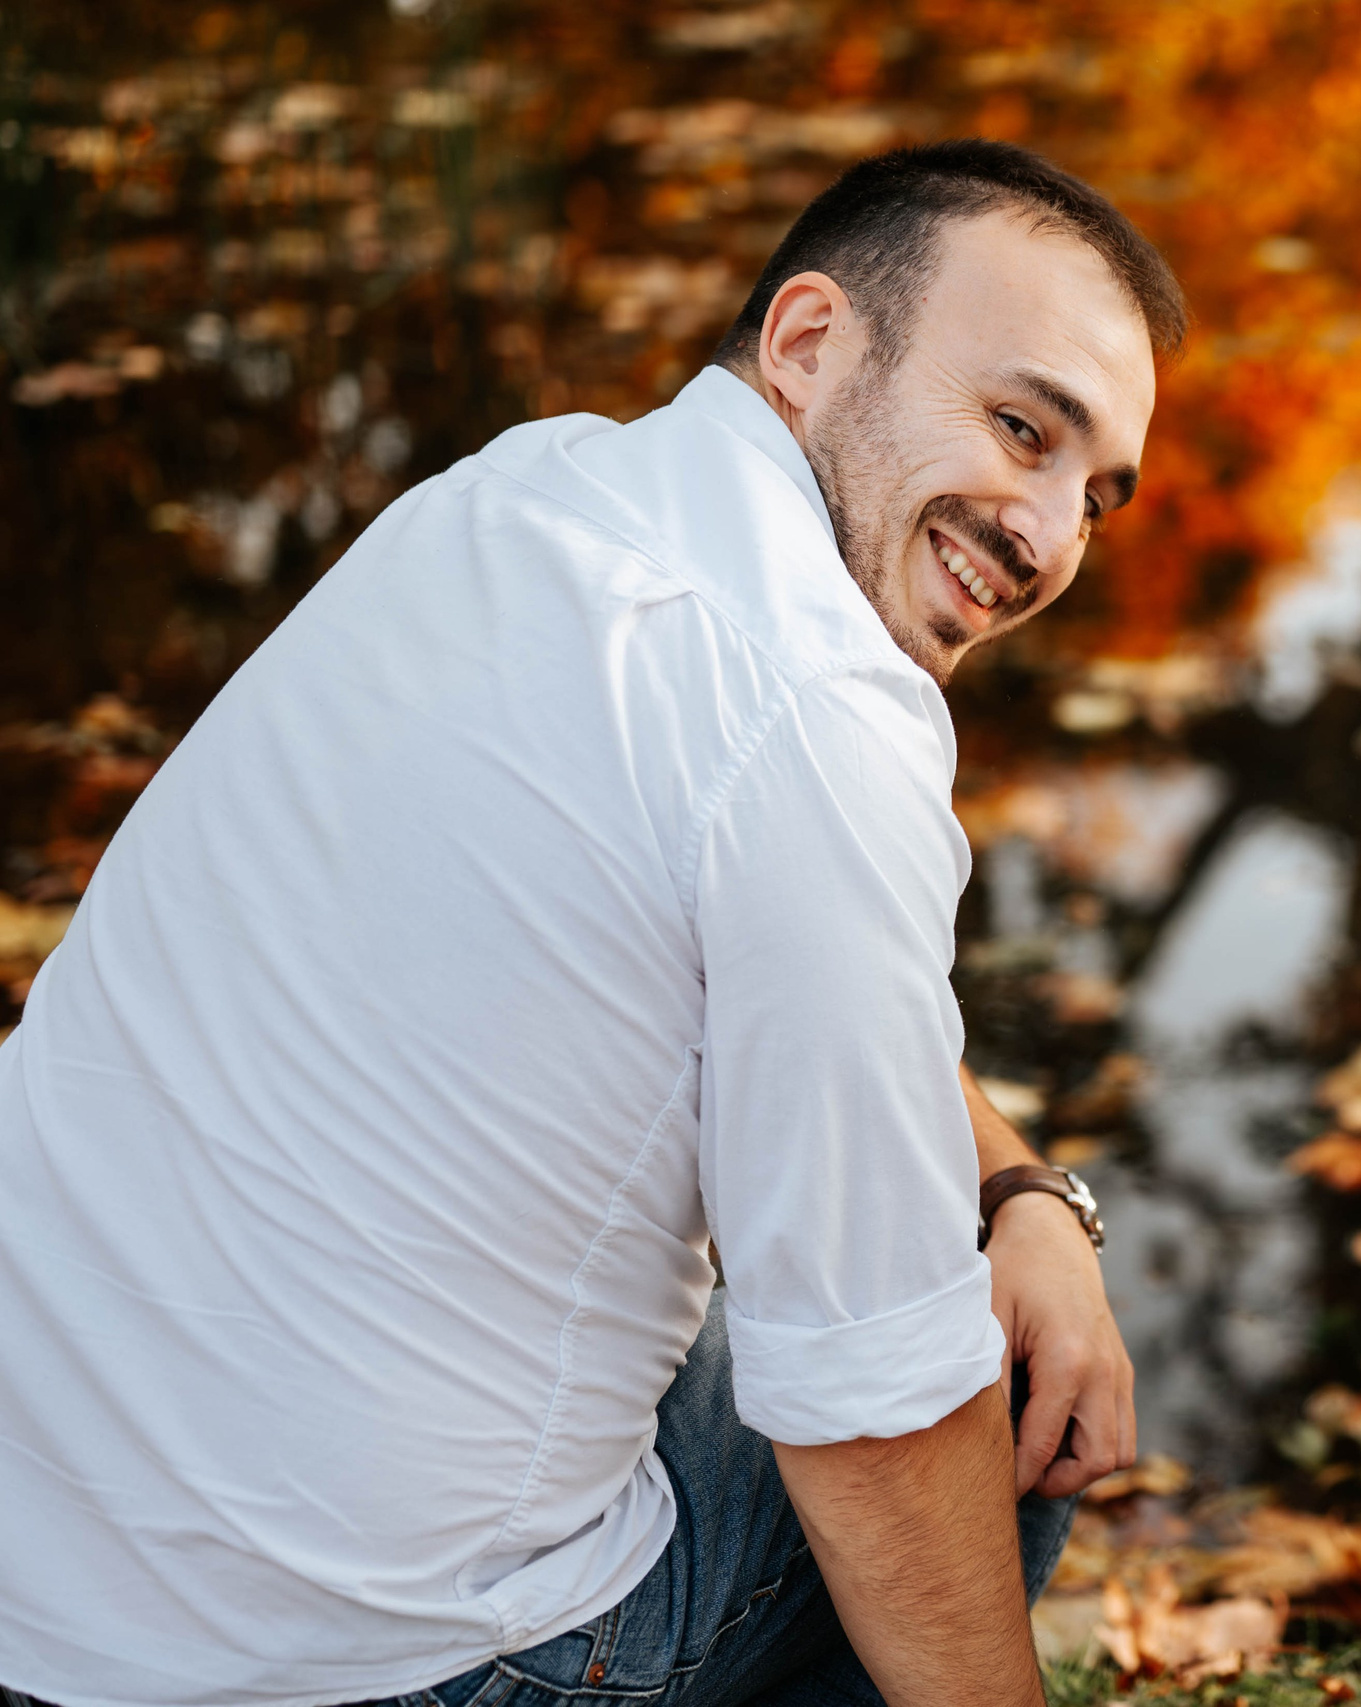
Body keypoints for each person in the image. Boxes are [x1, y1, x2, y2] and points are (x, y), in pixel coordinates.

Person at [0, 141, 1181, 1707]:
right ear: (811, 342)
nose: (1044, 535)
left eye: (1093, 492)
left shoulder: (515, 493)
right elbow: (878, 1408)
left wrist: (1025, 1185)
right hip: (343, 1667)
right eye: (1019, 427)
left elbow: (793, 997)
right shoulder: (819, 713)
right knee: (986, 1395)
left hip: (43, 1568)